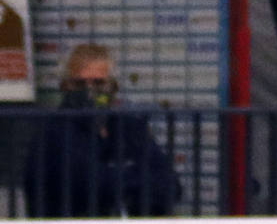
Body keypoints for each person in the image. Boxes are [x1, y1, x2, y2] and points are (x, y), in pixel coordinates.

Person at [24, 43, 179, 217]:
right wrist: (139, 178)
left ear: (113, 86)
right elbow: (95, 186)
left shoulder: (129, 127)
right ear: (65, 87)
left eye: (98, 83)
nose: (89, 91)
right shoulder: (53, 134)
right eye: (79, 84)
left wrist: (121, 182)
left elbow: (171, 185)